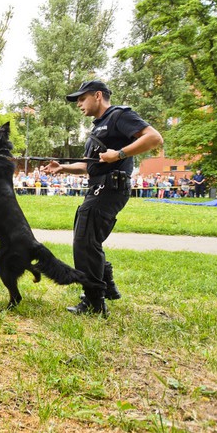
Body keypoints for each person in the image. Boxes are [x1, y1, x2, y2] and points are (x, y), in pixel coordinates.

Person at [43, 80, 163, 316]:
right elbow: (92, 166)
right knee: (87, 239)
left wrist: (119, 154)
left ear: (97, 95)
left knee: (85, 242)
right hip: (98, 186)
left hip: (110, 188)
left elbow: (154, 138)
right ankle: (104, 286)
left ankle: (95, 302)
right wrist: (63, 168)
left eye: (81, 98)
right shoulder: (99, 127)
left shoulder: (119, 116)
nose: (78, 104)